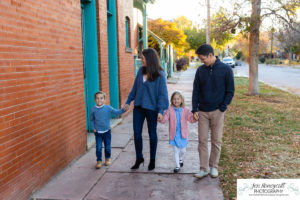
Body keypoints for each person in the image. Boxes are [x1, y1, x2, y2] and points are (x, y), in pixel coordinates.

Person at [192, 44, 234, 179]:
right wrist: (194, 109)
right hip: (202, 111)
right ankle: (203, 168)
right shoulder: (200, 71)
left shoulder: (226, 70)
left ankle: (213, 167)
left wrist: (223, 107)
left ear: (210, 55)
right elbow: (196, 91)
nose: (201, 61)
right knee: (202, 140)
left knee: (216, 141)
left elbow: (230, 91)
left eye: (202, 59)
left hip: (217, 111)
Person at [123, 48, 169, 171]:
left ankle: (152, 160)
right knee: (137, 134)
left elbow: (163, 95)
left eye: (143, 57)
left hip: (152, 109)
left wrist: (161, 111)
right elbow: (134, 89)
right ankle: (139, 158)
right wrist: (128, 102)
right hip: (138, 108)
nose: (141, 59)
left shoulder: (160, 75)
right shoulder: (140, 71)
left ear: (149, 59)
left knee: (152, 134)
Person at [158, 90, 196, 173]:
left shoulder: (185, 110)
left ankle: (180, 158)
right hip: (174, 134)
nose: (176, 101)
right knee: (176, 150)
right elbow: (165, 119)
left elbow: (190, 118)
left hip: (183, 134)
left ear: (182, 100)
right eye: (174, 99)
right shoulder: (170, 110)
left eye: (178, 99)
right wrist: (160, 119)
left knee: (183, 151)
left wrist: (195, 118)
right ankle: (177, 166)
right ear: (171, 100)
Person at [90, 91, 125, 169]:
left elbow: (116, 112)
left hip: (107, 132)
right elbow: (91, 119)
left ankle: (107, 159)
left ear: (104, 99)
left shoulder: (108, 108)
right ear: (94, 100)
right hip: (98, 132)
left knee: (107, 146)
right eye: (97, 98)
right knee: (98, 147)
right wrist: (93, 128)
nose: (99, 100)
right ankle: (99, 161)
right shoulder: (93, 110)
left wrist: (123, 109)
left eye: (101, 98)